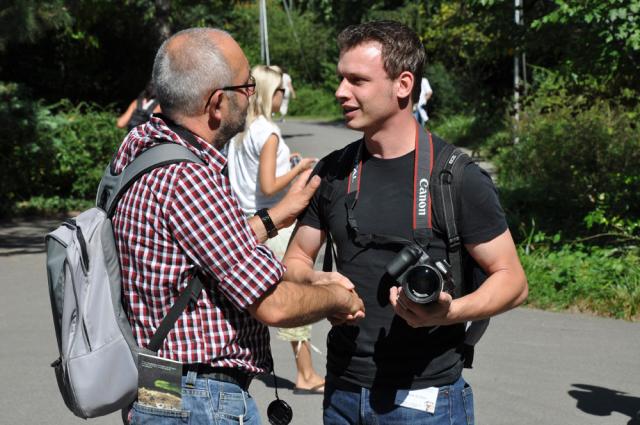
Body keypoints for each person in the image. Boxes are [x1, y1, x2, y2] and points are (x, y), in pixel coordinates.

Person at [111, 27, 365, 425]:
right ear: (216, 103)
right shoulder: (188, 179)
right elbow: (275, 305)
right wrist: (338, 297)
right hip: (201, 395)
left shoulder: (141, 150)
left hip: (158, 381)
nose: (251, 95)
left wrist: (274, 217)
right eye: (246, 86)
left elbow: (197, 254)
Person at [283, 20, 528, 424]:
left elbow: (512, 281)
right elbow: (295, 261)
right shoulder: (334, 172)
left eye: (357, 80)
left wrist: (449, 312)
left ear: (403, 84)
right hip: (342, 392)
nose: (340, 92)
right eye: (341, 78)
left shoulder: (457, 177)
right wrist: (317, 282)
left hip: (426, 399)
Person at [227, 64, 325, 395]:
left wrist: (288, 161)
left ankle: (247, 367)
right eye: (281, 90)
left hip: (244, 221)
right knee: (292, 297)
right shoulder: (268, 131)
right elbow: (269, 186)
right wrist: (299, 168)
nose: (284, 96)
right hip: (272, 223)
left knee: (251, 304)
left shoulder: (241, 129)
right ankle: (306, 373)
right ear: (272, 92)